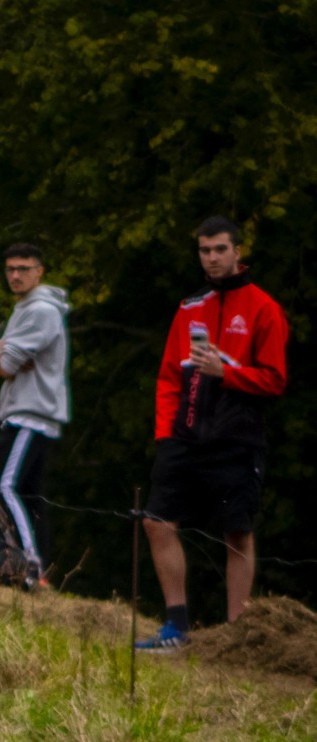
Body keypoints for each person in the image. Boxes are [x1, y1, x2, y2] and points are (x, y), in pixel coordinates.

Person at [136, 216, 289, 650]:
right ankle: (176, 626)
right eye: (205, 250)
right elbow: (169, 376)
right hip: (184, 436)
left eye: (220, 249)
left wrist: (228, 373)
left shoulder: (264, 308)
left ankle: (236, 634)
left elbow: (276, 380)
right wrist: (165, 433)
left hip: (236, 437)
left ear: (238, 252)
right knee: (156, 522)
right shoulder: (189, 308)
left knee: (237, 533)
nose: (212, 258)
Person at [0, 242, 70, 584]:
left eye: (23, 268)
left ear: (39, 271)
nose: (15, 275)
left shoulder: (41, 311)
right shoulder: (25, 308)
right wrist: (0, 358)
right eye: (10, 269)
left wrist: (1, 359)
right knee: (30, 493)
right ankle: (39, 569)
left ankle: (29, 564)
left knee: (4, 486)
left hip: (30, 414)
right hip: (27, 411)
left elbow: (3, 364)